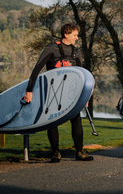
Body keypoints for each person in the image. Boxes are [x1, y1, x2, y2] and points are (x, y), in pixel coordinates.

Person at [23, 23, 93, 163]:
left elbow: (82, 76)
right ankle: (55, 153)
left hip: (71, 93)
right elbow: (36, 70)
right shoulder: (51, 49)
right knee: (53, 122)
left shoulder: (76, 52)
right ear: (66, 34)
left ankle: (79, 152)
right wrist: (29, 90)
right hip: (53, 93)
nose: (77, 38)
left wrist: (85, 96)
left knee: (76, 120)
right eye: (75, 35)